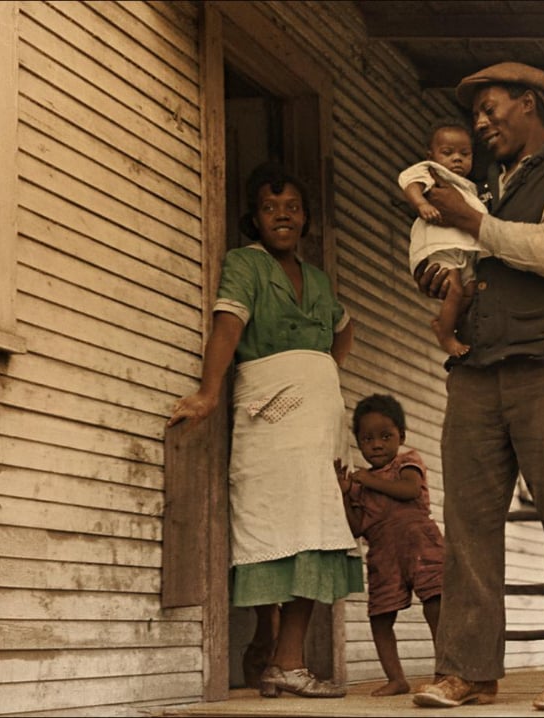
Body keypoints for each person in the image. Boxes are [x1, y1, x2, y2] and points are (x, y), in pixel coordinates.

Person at [409, 62, 544, 711]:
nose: (479, 123)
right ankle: (468, 671)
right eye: (474, 114)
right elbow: (455, 249)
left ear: (529, 103)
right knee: (467, 526)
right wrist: (438, 276)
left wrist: (472, 224)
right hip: (475, 371)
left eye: (491, 108)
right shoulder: (474, 184)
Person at [167, 162, 361, 699]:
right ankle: (276, 653)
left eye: (293, 208)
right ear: (253, 218)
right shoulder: (245, 264)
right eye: (270, 208)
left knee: (316, 529)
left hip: (318, 418)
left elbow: (344, 329)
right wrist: (208, 393)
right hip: (269, 414)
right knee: (272, 528)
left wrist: (320, 370)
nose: (282, 216)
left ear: (306, 219)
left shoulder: (317, 279)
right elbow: (228, 327)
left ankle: (286, 661)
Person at [334, 394, 445, 697]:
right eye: (367, 439)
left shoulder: (407, 462)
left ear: (401, 437)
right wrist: (345, 495)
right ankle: (396, 678)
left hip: (420, 543)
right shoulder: (358, 486)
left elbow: (409, 490)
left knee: (436, 603)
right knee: (380, 616)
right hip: (383, 554)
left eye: (386, 436)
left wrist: (367, 481)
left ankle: (445, 671)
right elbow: (357, 527)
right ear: (359, 442)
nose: (377, 445)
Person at [399, 119, 487, 357]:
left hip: (462, 249)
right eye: (448, 153)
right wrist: (421, 204)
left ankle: (445, 324)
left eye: (464, 154)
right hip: (440, 244)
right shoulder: (432, 171)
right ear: (431, 155)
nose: (457, 159)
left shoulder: (468, 187)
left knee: (469, 291)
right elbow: (411, 183)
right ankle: (446, 336)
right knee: (454, 290)